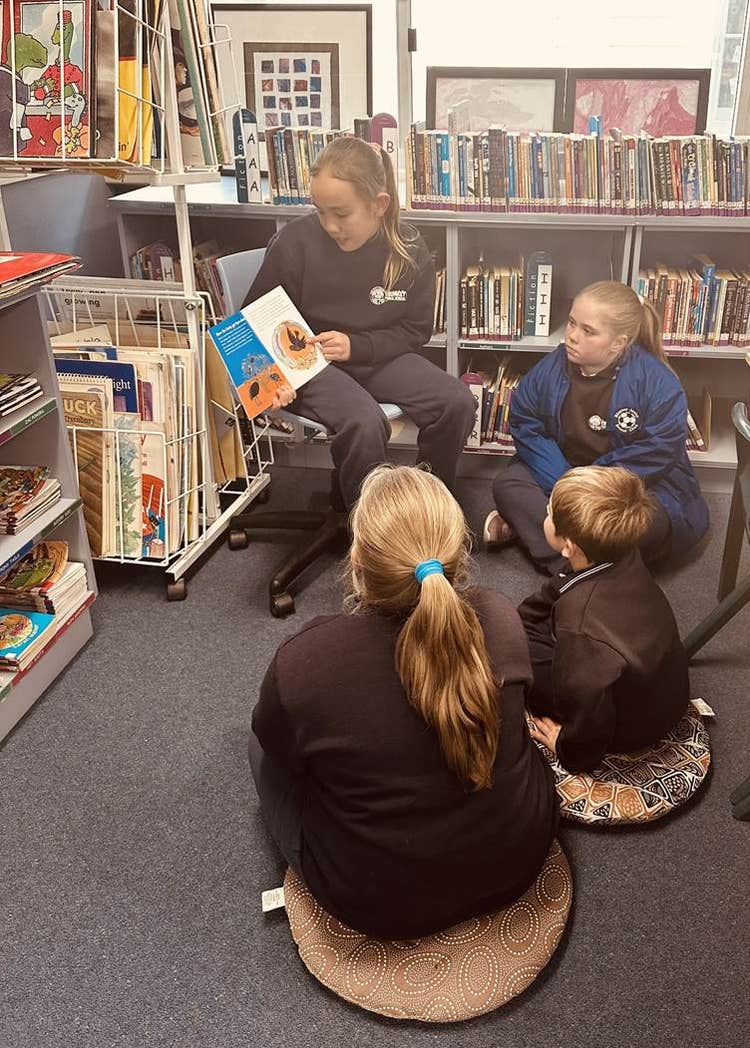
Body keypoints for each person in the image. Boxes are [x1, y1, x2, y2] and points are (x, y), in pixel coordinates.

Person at [249, 465, 558, 939]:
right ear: (458, 554)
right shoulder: (500, 615)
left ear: (356, 560)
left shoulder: (307, 661)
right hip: (517, 862)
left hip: (381, 903)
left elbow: (277, 748)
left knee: (261, 747)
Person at [242, 135, 476, 509]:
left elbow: (415, 331)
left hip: (375, 357)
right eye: (320, 212)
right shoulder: (295, 241)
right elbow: (253, 322)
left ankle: (429, 507)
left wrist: (357, 346)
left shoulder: (409, 249)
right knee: (365, 423)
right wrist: (273, 379)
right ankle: (362, 524)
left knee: (457, 402)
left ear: (379, 205)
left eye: (341, 213)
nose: (330, 225)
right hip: (308, 363)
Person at [485, 280, 709, 574]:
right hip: (563, 471)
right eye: (572, 323)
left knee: (651, 524)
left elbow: (657, 452)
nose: (572, 336)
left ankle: (557, 549)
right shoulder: (550, 368)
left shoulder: (660, 383)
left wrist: (590, 485)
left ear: (619, 343)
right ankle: (583, 569)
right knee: (508, 485)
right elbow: (526, 423)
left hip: (628, 485)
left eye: (588, 331)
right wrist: (566, 482)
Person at [518, 465, 690, 774]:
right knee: (525, 627)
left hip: (627, 727)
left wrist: (567, 746)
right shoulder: (623, 555)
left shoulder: (579, 623)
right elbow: (557, 588)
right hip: (659, 693)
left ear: (568, 545)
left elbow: (589, 706)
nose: (545, 513)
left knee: (514, 654)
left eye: (548, 512)